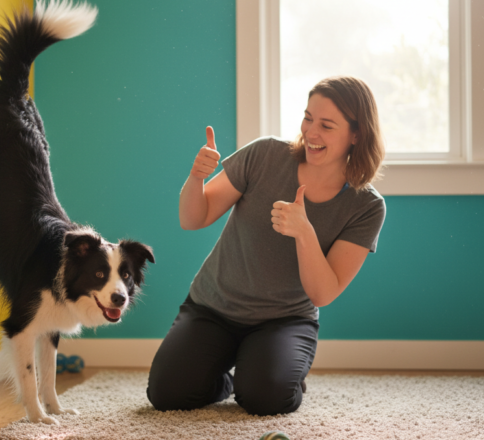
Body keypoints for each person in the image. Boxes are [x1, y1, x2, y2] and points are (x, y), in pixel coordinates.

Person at [147, 76, 386, 416]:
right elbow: (193, 218)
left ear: (357, 134)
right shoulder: (265, 154)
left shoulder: (367, 206)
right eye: (308, 118)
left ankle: (274, 374)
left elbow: (322, 294)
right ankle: (229, 381)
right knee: (166, 394)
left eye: (326, 125)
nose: (311, 132)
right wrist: (197, 177)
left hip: (284, 321)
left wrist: (304, 232)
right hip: (212, 308)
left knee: (267, 398)